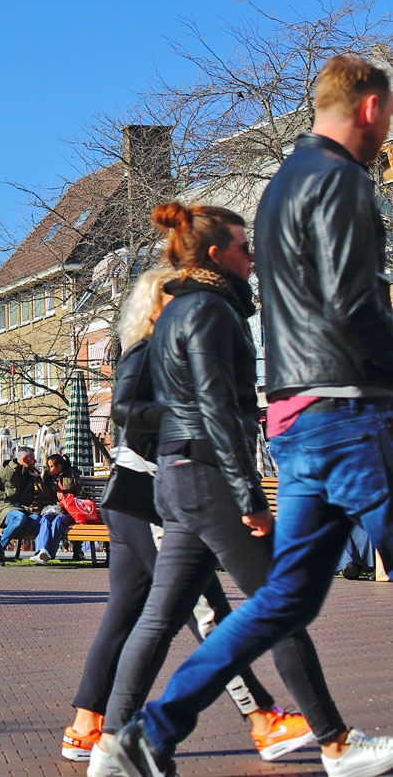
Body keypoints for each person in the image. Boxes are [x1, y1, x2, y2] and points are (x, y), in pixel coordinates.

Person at [112, 54, 393, 777]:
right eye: (389, 116)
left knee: (279, 602)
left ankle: (152, 729)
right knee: (264, 601)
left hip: (295, 422)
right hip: (348, 413)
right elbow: (353, 303)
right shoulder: (342, 183)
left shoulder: (276, 192)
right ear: (369, 108)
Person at [97, 200, 353, 777]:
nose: (252, 256)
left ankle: (115, 746)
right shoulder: (211, 311)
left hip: (179, 481)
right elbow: (215, 407)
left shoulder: (177, 314)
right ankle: (336, 744)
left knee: (160, 620)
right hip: (209, 478)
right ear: (216, 254)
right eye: (244, 246)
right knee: (278, 606)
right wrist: (250, 496)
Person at [64, 267, 310, 775]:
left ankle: (87, 726)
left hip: (131, 498)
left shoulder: (152, 348)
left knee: (127, 614)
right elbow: (136, 414)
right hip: (154, 494)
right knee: (206, 613)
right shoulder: (157, 350)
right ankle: (263, 716)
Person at [0, 446, 39, 566]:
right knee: (19, 518)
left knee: (36, 520)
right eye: (33, 459)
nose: (35, 461)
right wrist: (4, 495)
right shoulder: (5, 471)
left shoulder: (28, 473)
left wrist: (36, 479)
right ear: (24, 459)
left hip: (18, 508)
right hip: (2, 508)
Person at [32, 453, 81, 564]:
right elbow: (46, 495)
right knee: (45, 518)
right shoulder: (49, 479)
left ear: (59, 467)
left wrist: (65, 495)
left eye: (51, 466)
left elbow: (80, 494)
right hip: (55, 509)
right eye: (48, 466)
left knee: (57, 521)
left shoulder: (72, 476)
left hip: (70, 512)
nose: (48, 469)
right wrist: (38, 479)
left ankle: (49, 554)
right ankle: (42, 550)